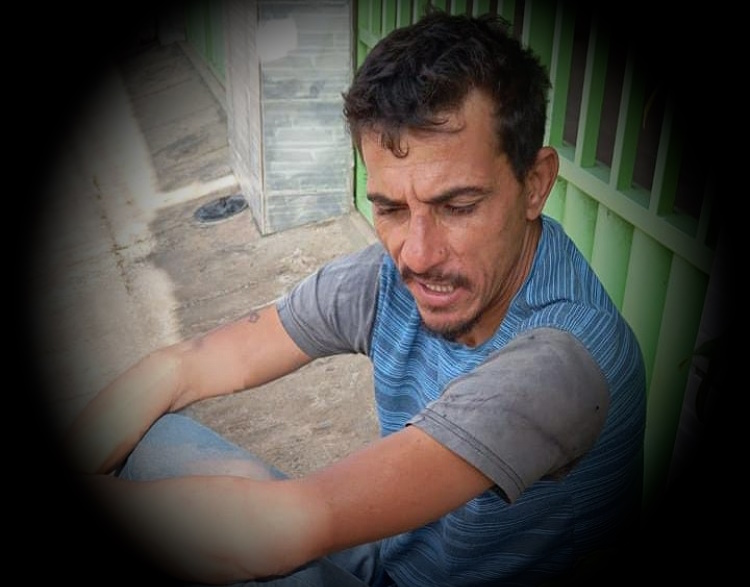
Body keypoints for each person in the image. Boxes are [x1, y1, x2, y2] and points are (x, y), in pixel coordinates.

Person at [66, 9, 646, 587]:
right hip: (388, 566)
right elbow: (180, 367)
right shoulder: (387, 279)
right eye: (391, 208)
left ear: (535, 185)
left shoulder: (566, 359)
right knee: (149, 441)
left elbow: (282, 527)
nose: (417, 254)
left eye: (458, 206)